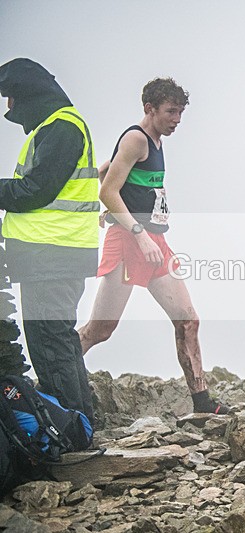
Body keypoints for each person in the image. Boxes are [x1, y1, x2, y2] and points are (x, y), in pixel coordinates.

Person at [78, 78, 228, 414]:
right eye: (170, 112)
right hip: (133, 242)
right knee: (100, 329)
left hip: (155, 242)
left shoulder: (156, 141)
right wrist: (133, 228)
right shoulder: (136, 139)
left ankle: (203, 404)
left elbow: (106, 172)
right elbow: (107, 190)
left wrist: (120, 211)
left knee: (187, 320)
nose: (177, 119)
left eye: (180, 113)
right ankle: (51, 380)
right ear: (150, 109)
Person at [0, 58, 98, 422]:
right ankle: (80, 425)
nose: (10, 109)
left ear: (30, 95)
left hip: (52, 256)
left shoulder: (61, 128)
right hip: (56, 255)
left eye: (12, 99)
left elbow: (35, 190)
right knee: (60, 342)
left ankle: (71, 437)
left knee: (50, 347)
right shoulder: (60, 126)